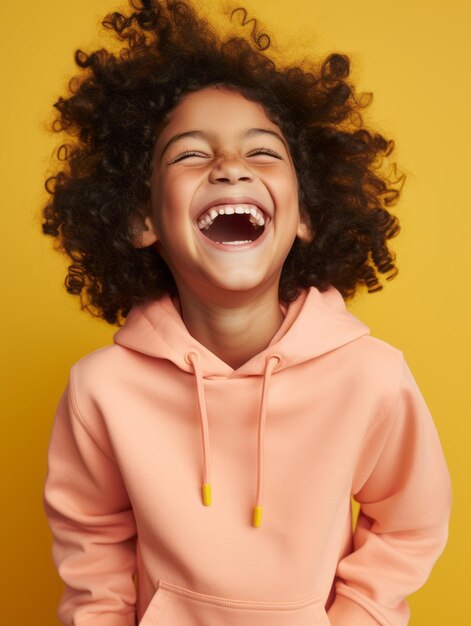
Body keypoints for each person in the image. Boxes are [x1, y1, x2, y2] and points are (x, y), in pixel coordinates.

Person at [41, 1, 452, 625]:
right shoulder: (100, 389)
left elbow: (410, 525)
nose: (230, 166)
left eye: (263, 153)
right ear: (142, 218)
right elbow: (90, 551)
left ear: (307, 214)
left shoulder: (371, 375)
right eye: (189, 155)